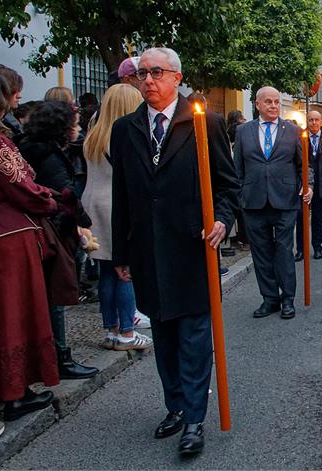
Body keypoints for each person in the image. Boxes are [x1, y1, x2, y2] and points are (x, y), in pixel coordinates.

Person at [111, 47, 238, 456]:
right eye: (142, 74)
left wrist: (222, 218)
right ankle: (176, 406)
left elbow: (227, 185)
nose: (148, 80)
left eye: (157, 73)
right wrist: (121, 253)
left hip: (192, 248)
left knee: (195, 337)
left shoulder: (204, 123)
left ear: (177, 77)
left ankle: (195, 418)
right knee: (164, 334)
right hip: (148, 250)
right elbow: (122, 197)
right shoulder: (125, 129)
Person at [0, 70, 60, 422]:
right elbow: (22, 187)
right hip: (8, 238)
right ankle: (14, 393)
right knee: (16, 315)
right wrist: (53, 201)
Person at [17, 101, 99, 380]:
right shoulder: (48, 155)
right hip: (51, 232)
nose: (77, 129)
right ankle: (60, 356)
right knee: (56, 296)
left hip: (42, 230)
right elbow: (64, 195)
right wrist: (83, 224)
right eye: (74, 124)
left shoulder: (32, 147)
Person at [82, 84, 152, 351]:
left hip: (93, 205)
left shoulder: (94, 134)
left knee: (106, 273)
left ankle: (111, 329)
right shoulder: (122, 136)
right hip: (114, 206)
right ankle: (126, 331)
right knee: (125, 269)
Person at [236, 86, 311, 321]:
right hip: (254, 202)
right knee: (261, 253)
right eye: (268, 102)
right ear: (257, 104)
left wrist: (308, 185)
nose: (273, 106)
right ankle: (270, 299)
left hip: (285, 201)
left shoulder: (293, 131)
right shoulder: (243, 132)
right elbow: (237, 169)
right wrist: (240, 195)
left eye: (277, 102)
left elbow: (304, 165)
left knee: (284, 251)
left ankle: (288, 298)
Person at [295, 110, 322, 261]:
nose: (314, 123)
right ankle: (301, 249)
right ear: (307, 121)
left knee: (318, 219)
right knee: (301, 218)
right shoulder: (299, 137)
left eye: (316, 120)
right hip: (303, 184)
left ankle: (317, 247)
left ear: (321, 121)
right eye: (311, 120)